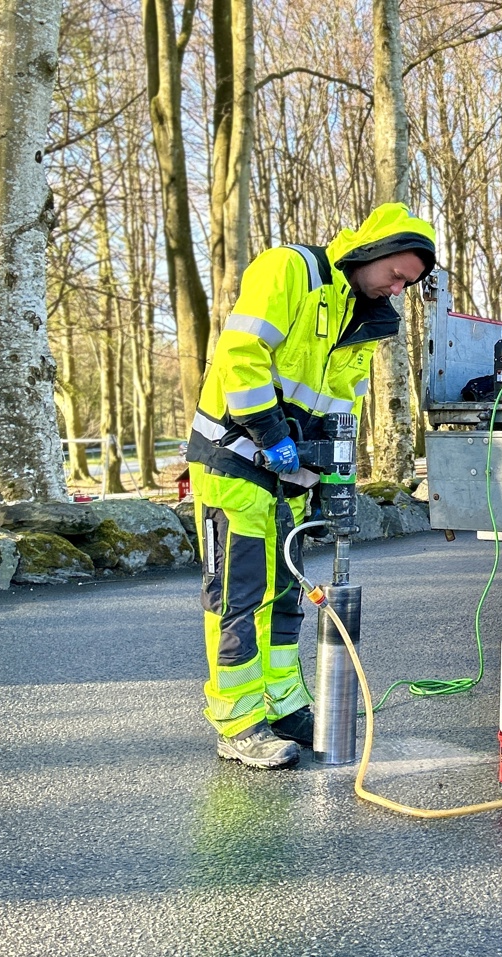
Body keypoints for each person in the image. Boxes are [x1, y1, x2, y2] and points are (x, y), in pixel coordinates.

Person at [186, 203, 437, 769]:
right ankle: (238, 720)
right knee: (239, 592)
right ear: (372, 251)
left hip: (290, 468)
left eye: (409, 284)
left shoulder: (367, 320)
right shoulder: (289, 271)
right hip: (236, 456)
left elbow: (342, 400)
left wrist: (331, 470)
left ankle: (283, 704)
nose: (398, 289)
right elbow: (240, 357)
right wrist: (272, 435)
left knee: (286, 590)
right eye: (396, 274)